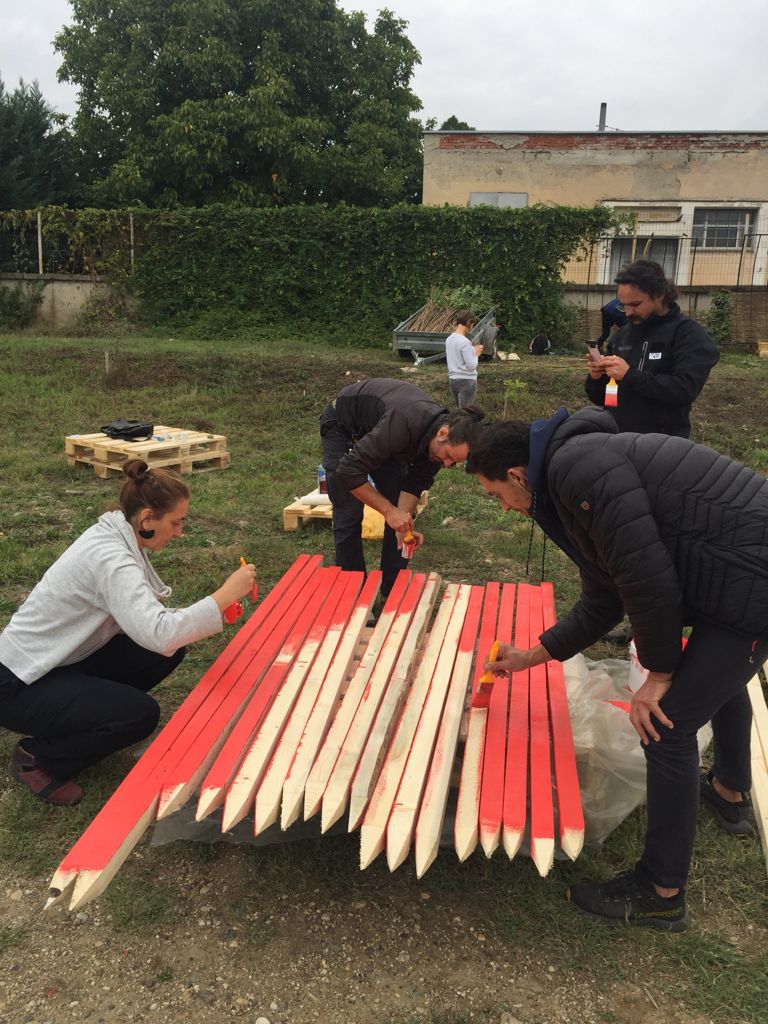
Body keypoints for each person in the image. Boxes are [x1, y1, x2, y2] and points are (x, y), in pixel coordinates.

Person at [466, 406, 767, 931]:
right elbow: (605, 596)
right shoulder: (571, 471)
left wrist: (660, 674)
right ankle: (729, 792)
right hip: (732, 572)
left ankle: (660, 892)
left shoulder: (576, 471)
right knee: (714, 682)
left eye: (497, 495)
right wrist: (532, 656)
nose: (505, 508)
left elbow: (646, 580)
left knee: (664, 724)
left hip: (752, 578)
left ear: (517, 474)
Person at [0, 459, 257, 806]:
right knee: (140, 713)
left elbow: (152, 629)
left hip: (55, 662)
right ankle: (39, 758)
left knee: (163, 651)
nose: (180, 532)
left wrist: (214, 610)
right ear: (147, 519)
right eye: (176, 522)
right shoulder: (112, 559)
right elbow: (160, 632)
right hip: (17, 685)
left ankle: (93, 716)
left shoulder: (117, 535)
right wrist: (223, 595)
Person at [320, 378, 485, 597]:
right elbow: (348, 471)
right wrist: (389, 511)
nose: (446, 464)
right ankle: (354, 594)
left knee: (398, 509)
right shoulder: (405, 422)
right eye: (448, 456)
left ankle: (392, 593)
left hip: (382, 432)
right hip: (343, 425)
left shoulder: (435, 447)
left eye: (454, 462)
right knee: (348, 511)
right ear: (443, 433)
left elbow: (413, 486)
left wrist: (403, 526)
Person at [585, 260, 719, 438]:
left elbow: (684, 390)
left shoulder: (688, 334)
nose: (628, 313)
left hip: (661, 444)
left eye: (635, 304)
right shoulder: (623, 335)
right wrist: (597, 378)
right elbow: (604, 398)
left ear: (659, 295)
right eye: (623, 305)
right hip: (618, 440)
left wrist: (630, 375)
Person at [445, 309, 485, 406]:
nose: (472, 328)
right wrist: (477, 354)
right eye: (472, 324)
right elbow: (471, 366)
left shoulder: (449, 339)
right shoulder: (465, 342)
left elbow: (458, 356)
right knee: (465, 413)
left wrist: (472, 350)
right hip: (467, 381)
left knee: (460, 412)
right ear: (469, 322)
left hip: (453, 380)